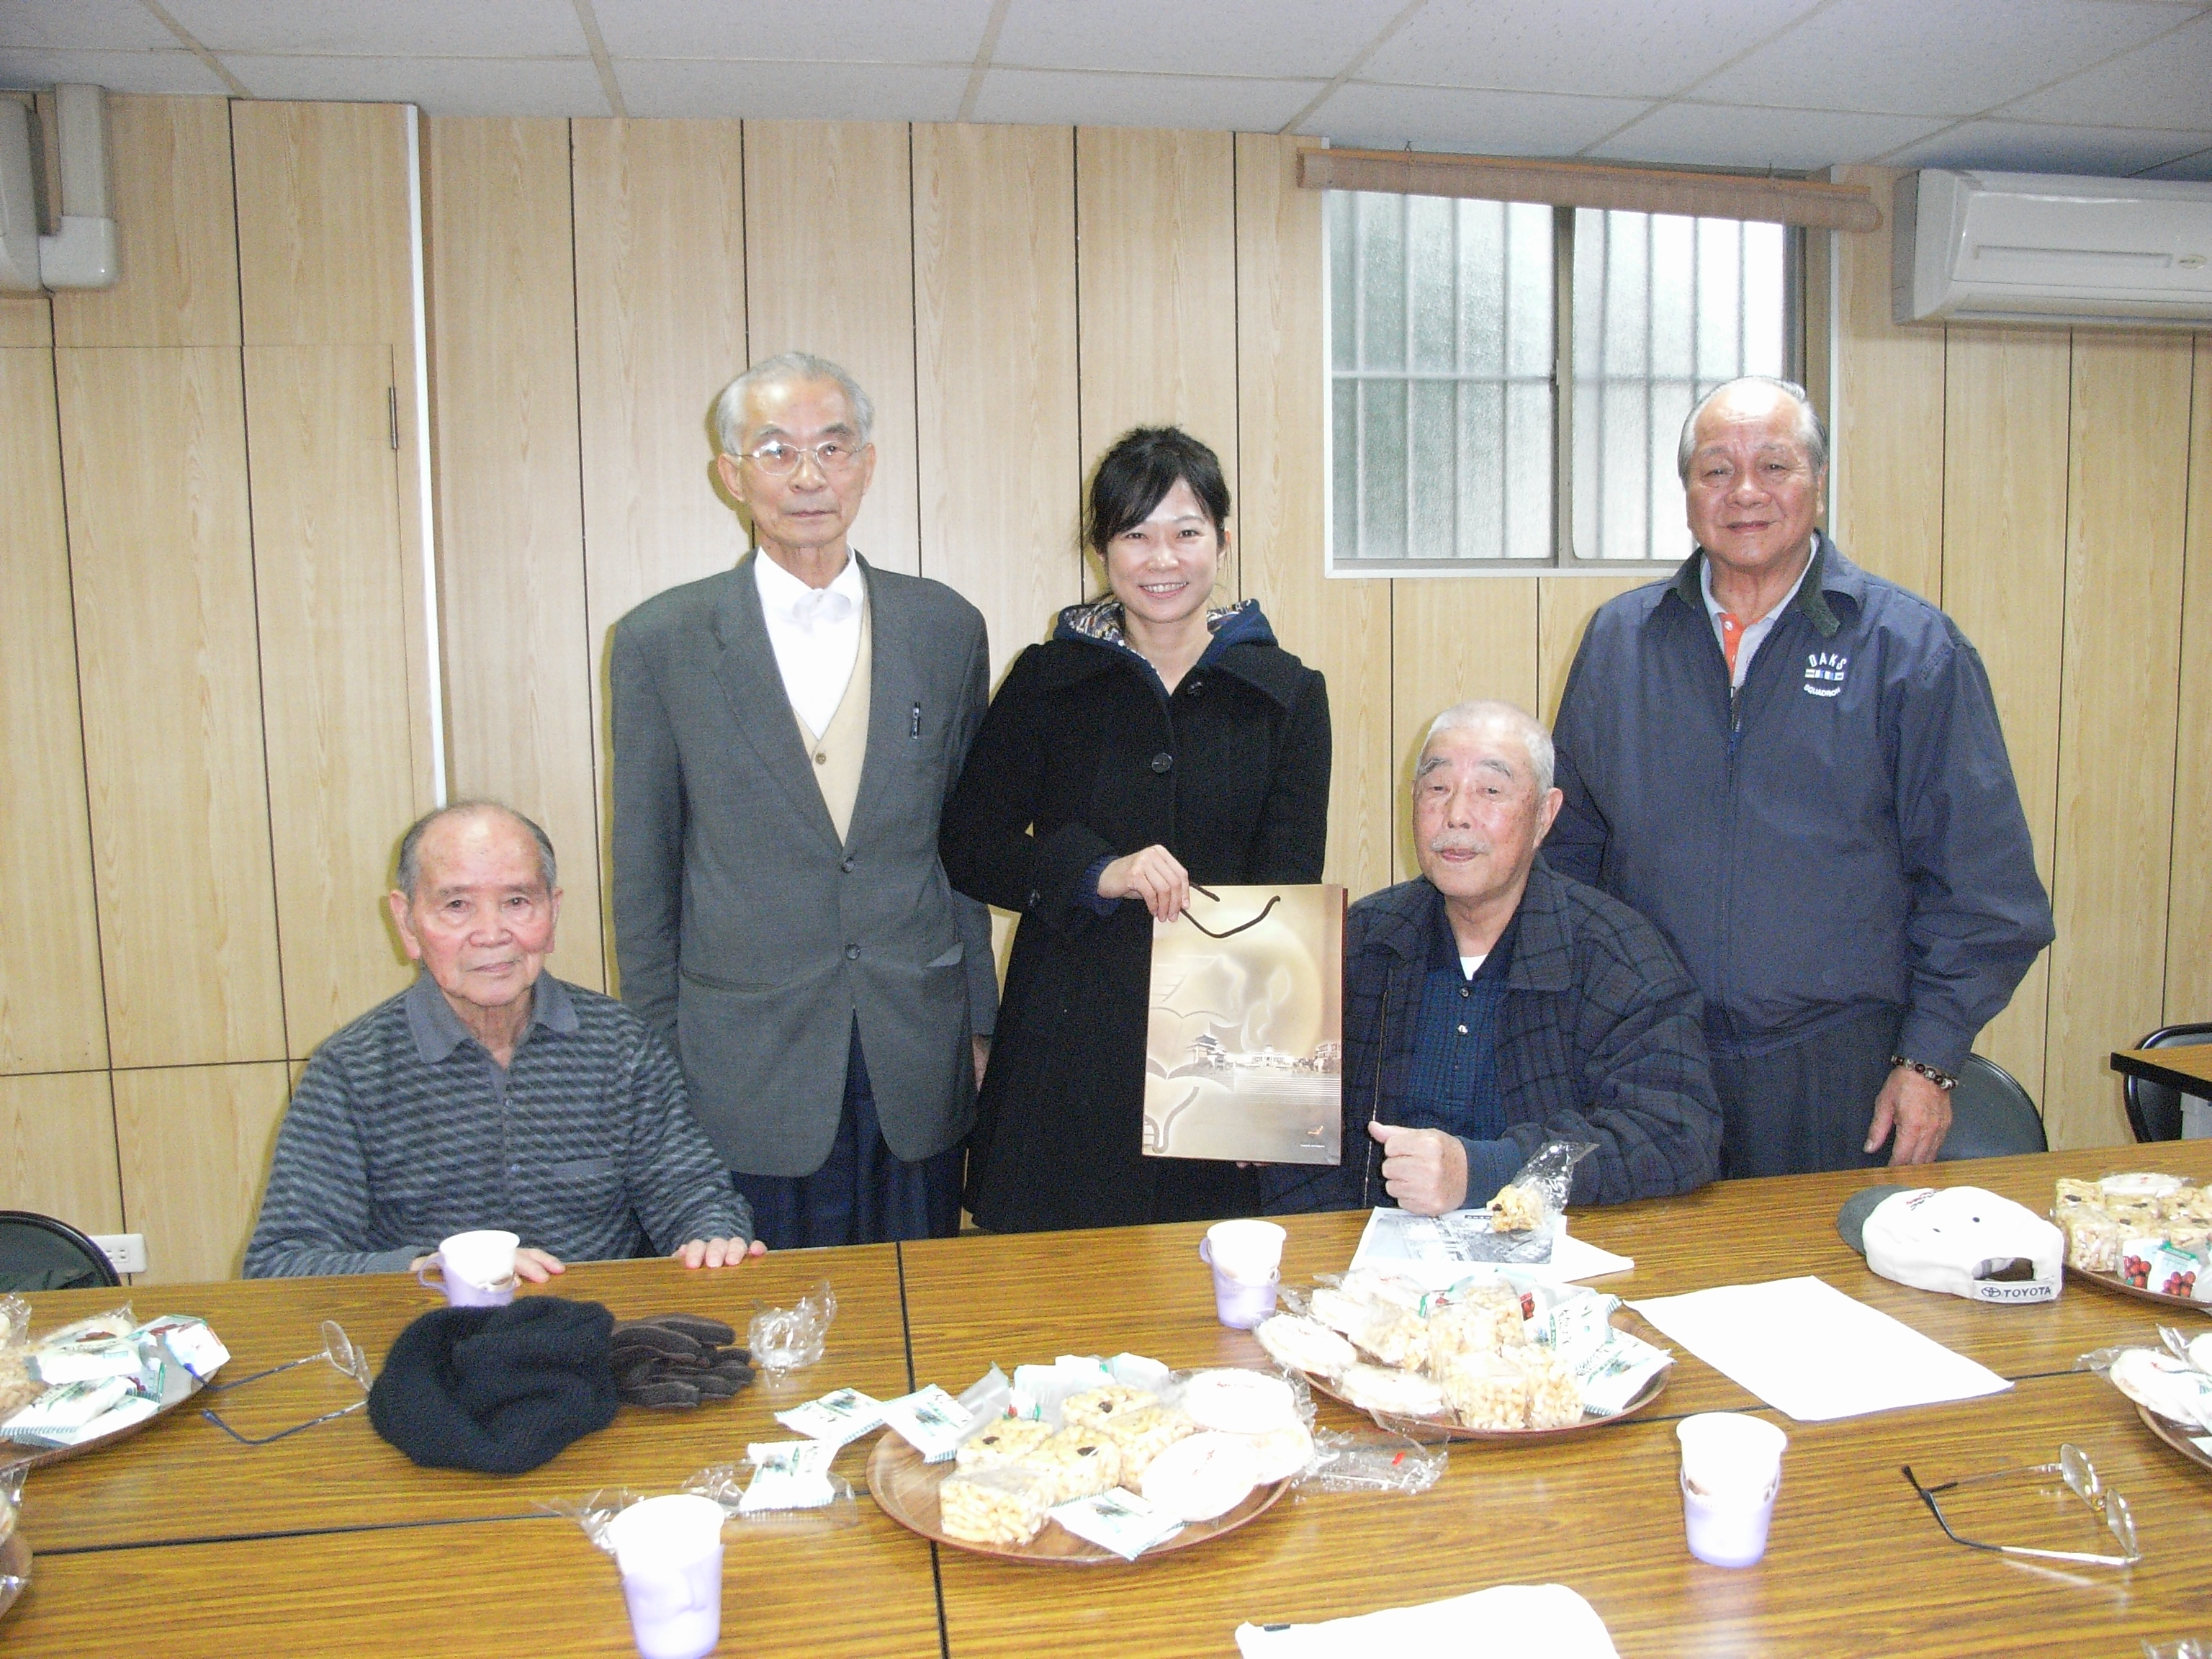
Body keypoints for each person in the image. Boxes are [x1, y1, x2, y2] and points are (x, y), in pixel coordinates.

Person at [1548, 375, 2054, 1177]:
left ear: (1817, 483)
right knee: (1655, 1288)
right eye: (1716, 470)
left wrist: (1929, 1060)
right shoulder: (1621, 643)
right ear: (1687, 494)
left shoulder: (1911, 651)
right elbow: (1566, 860)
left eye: (1774, 467)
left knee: (1825, 1293)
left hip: (1839, 1065)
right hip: (1652, 1058)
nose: (1744, 492)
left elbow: (1987, 893)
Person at [610, 352, 996, 1251]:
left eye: (834, 447)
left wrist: (980, 1022)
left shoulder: (946, 628)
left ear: (867, 463)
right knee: (770, 1336)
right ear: (732, 475)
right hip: (744, 1060)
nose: (809, 475)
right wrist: (655, 1060)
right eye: (777, 451)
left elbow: (965, 849)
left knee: (919, 1316)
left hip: (915, 1041)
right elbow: (644, 872)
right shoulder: (661, 641)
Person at [940, 426, 1331, 1233]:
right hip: (1065, 1044)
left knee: (1202, 1308)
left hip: (1218, 1058)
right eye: (1136, 534)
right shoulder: (1046, 680)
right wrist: (1095, 870)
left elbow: (1287, 896)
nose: (1163, 559)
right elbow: (969, 845)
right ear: (1101, 548)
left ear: (1222, 541)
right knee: (1049, 1309)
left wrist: (1272, 1087)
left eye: (1186, 532)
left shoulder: (1286, 693)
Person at [246, 802, 760, 1279]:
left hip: (599, 1344)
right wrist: (437, 1269)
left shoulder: (622, 1047)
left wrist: (712, 1239)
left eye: (517, 901)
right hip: (428, 1347)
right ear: (407, 923)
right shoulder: (351, 1071)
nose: (491, 934)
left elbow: (694, 1194)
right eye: (457, 906)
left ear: (552, 914)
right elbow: (282, 1263)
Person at [1262, 703, 1721, 1218]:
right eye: (1437, 789)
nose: (1456, 814)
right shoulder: (1357, 944)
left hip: (1550, 1268)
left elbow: (1677, 1135)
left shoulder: (1616, 954)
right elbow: (1290, 1147)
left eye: (1490, 791)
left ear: (1546, 815)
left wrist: (1486, 1171)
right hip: (1367, 1270)